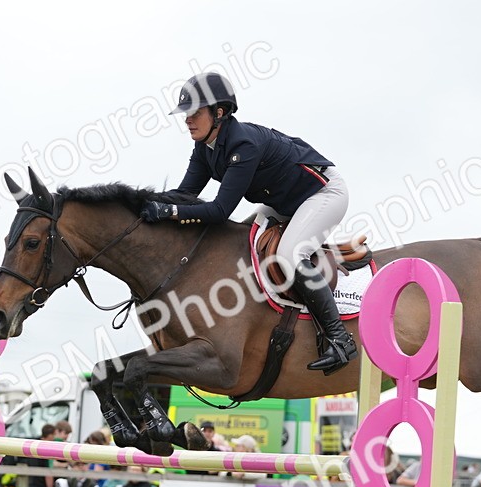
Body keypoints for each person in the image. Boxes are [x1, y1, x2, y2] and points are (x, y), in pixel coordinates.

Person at [140, 72, 355, 374]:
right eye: (185, 114)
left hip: (323, 193)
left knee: (290, 254)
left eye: (194, 113)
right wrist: (139, 204)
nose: (187, 120)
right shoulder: (205, 147)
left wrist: (169, 213)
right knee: (241, 242)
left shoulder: (244, 144)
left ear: (219, 113)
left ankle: (339, 339)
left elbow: (218, 211)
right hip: (284, 202)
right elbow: (184, 194)